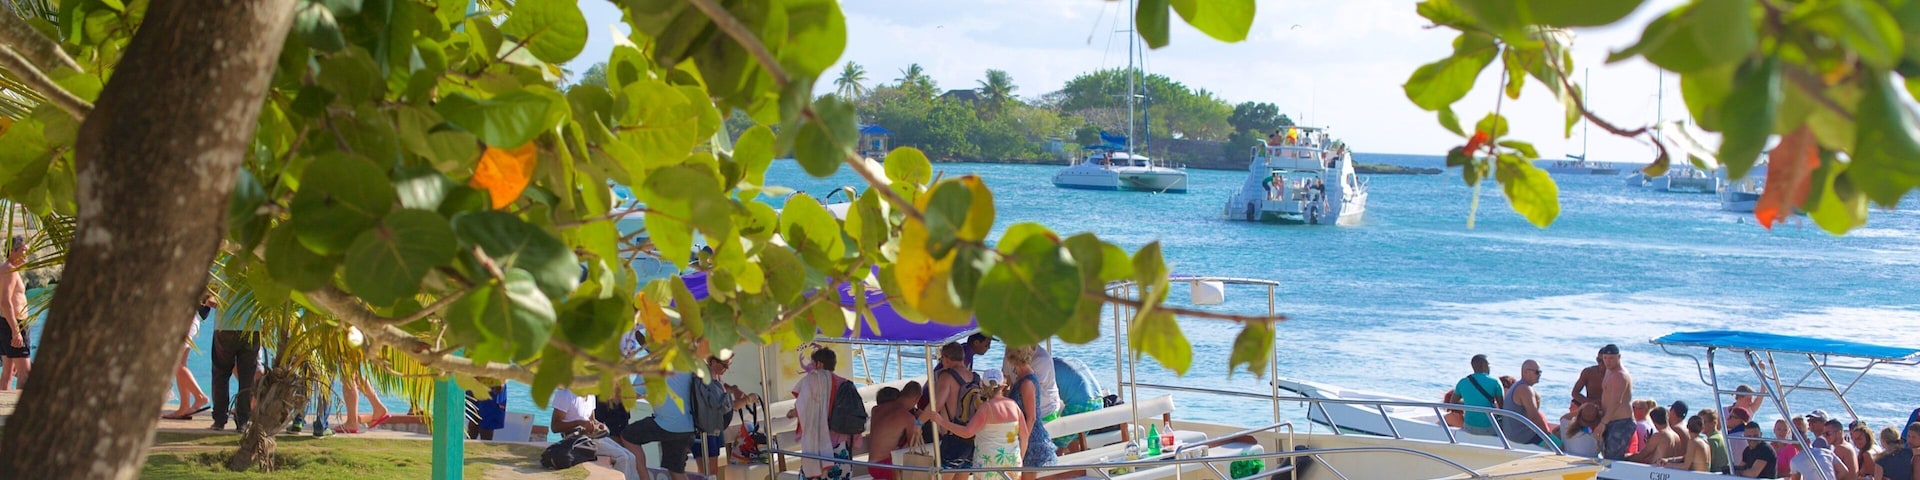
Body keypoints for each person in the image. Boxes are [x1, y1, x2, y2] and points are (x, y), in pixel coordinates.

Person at [925, 380, 1028, 476]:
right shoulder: (1014, 406)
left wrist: (942, 422)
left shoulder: (986, 408)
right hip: (1012, 463)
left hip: (988, 464)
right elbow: (1025, 436)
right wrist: (1019, 460)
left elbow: (967, 432)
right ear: (1002, 387)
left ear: (982, 385)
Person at [789, 348, 855, 480]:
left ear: (819, 364)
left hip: (817, 448)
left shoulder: (812, 380)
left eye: (812, 363)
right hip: (841, 447)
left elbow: (802, 407)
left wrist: (792, 413)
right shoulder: (846, 384)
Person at [551, 386, 643, 480]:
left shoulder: (591, 396)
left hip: (592, 437)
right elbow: (555, 426)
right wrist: (579, 423)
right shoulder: (565, 394)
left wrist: (600, 426)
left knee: (631, 456)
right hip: (576, 440)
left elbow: (592, 420)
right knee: (622, 458)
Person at [207, 297, 260, 431]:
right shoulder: (260, 281)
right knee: (247, 377)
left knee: (220, 373)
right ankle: (242, 421)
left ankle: (219, 419)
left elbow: (208, 297)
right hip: (252, 326)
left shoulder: (223, 280)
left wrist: (225, 305)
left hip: (225, 325)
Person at [1004, 346, 1056, 480]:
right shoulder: (1023, 377)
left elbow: (1031, 417)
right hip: (1026, 437)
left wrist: (1023, 444)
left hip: (1031, 441)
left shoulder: (1027, 382)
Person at [934, 342, 983, 480]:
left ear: (946, 358)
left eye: (941, 359)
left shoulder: (947, 377)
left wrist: (919, 422)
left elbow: (937, 404)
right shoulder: (976, 378)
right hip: (972, 436)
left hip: (953, 436)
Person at [163, 293, 215, 419]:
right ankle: (184, 407)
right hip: (189, 320)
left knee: (175, 364)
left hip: (184, 322)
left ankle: (200, 396)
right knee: (181, 364)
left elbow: (210, 299)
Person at [869, 382, 925, 480]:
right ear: (917, 399)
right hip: (888, 467)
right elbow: (913, 446)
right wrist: (920, 422)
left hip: (872, 466)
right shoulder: (908, 418)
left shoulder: (876, 409)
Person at [0, 236, 31, 390]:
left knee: (8, 373)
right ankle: (24, 405)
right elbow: (5, 302)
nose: (27, 254)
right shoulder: (9, 270)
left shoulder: (7, 268)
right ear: (13, 251)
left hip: (7, 323)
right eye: (24, 250)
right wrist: (16, 330)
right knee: (25, 373)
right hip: (14, 323)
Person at [1596, 344, 1636, 461]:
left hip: (1621, 422)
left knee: (1613, 458)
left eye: (1611, 358)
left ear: (1619, 357)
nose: (1608, 361)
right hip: (1609, 419)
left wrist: (1603, 423)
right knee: (1606, 454)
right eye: (1605, 358)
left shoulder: (1620, 376)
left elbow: (1616, 402)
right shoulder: (1609, 371)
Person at [1003, 344, 1060, 422]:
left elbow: (1031, 414)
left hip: (1044, 412)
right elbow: (1006, 381)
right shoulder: (1010, 353)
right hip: (1020, 412)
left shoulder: (1042, 359)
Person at [1454, 354, 1503, 436]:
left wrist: (1469, 402)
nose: (1490, 367)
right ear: (1483, 365)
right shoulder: (1495, 382)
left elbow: (1453, 403)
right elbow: (1502, 408)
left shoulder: (1462, 382)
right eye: (1489, 364)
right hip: (1489, 428)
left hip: (1468, 427)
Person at [1504, 359, 1552, 442]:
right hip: (1524, 437)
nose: (1539, 375)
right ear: (1526, 372)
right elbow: (1534, 417)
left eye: (1540, 372)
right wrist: (1549, 438)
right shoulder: (1525, 389)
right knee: (1560, 444)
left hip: (1514, 434)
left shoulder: (1518, 385)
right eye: (1537, 372)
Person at [1570, 347, 1608, 413]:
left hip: (1609, 409)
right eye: (1599, 360)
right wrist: (1590, 402)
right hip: (1591, 408)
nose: (1601, 363)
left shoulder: (1617, 376)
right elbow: (1575, 393)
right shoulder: (1589, 372)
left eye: (1604, 361)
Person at [1701, 409, 1730, 474]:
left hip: (1714, 475)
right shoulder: (1722, 436)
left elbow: (1705, 465)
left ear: (1713, 423)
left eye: (1703, 422)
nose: (1700, 425)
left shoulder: (1711, 440)